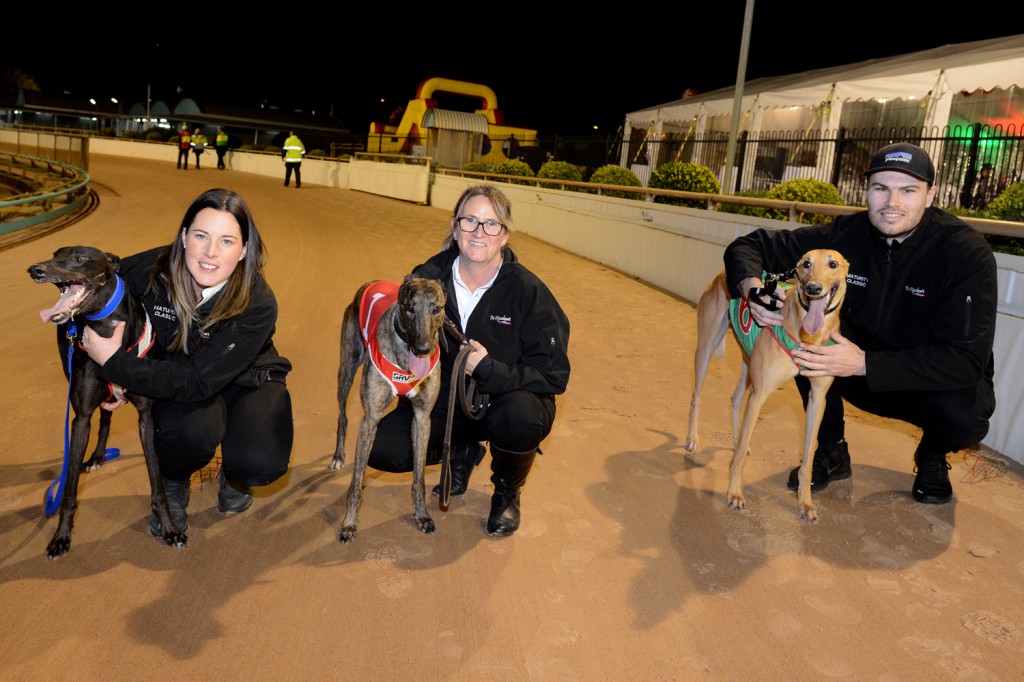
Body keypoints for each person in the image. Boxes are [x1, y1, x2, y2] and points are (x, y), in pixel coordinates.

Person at [724, 142, 996, 505]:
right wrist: (751, 288)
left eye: (908, 190)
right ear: (867, 191)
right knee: (808, 336)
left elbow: (965, 361)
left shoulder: (966, 253)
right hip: (852, 369)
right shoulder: (845, 234)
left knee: (966, 416)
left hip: (923, 381)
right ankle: (832, 449)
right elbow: (750, 245)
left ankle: (932, 454)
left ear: (931, 195)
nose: (891, 202)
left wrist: (866, 363)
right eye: (881, 188)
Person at [80, 188, 294, 536]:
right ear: (183, 237)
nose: (210, 253)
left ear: (243, 251)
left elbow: (199, 380)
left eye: (227, 241)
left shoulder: (258, 303)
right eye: (200, 236)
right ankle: (173, 479)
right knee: (193, 433)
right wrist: (104, 376)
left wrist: (118, 367)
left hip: (245, 379)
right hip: (180, 376)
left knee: (259, 462)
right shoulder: (149, 271)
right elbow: (88, 295)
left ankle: (236, 474)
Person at [366, 184, 571, 536]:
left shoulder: (528, 291)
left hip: (501, 406)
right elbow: (396, 337)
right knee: (381, 449)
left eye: (491, 224)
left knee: (521, 416)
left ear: (505, 235)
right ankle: (460, 451)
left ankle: (506, 491)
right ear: (455, 227)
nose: (479, 232)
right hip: (444, 407)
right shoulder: (427, 278)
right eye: (470, 221)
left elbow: (553, 374)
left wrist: (492, 371)